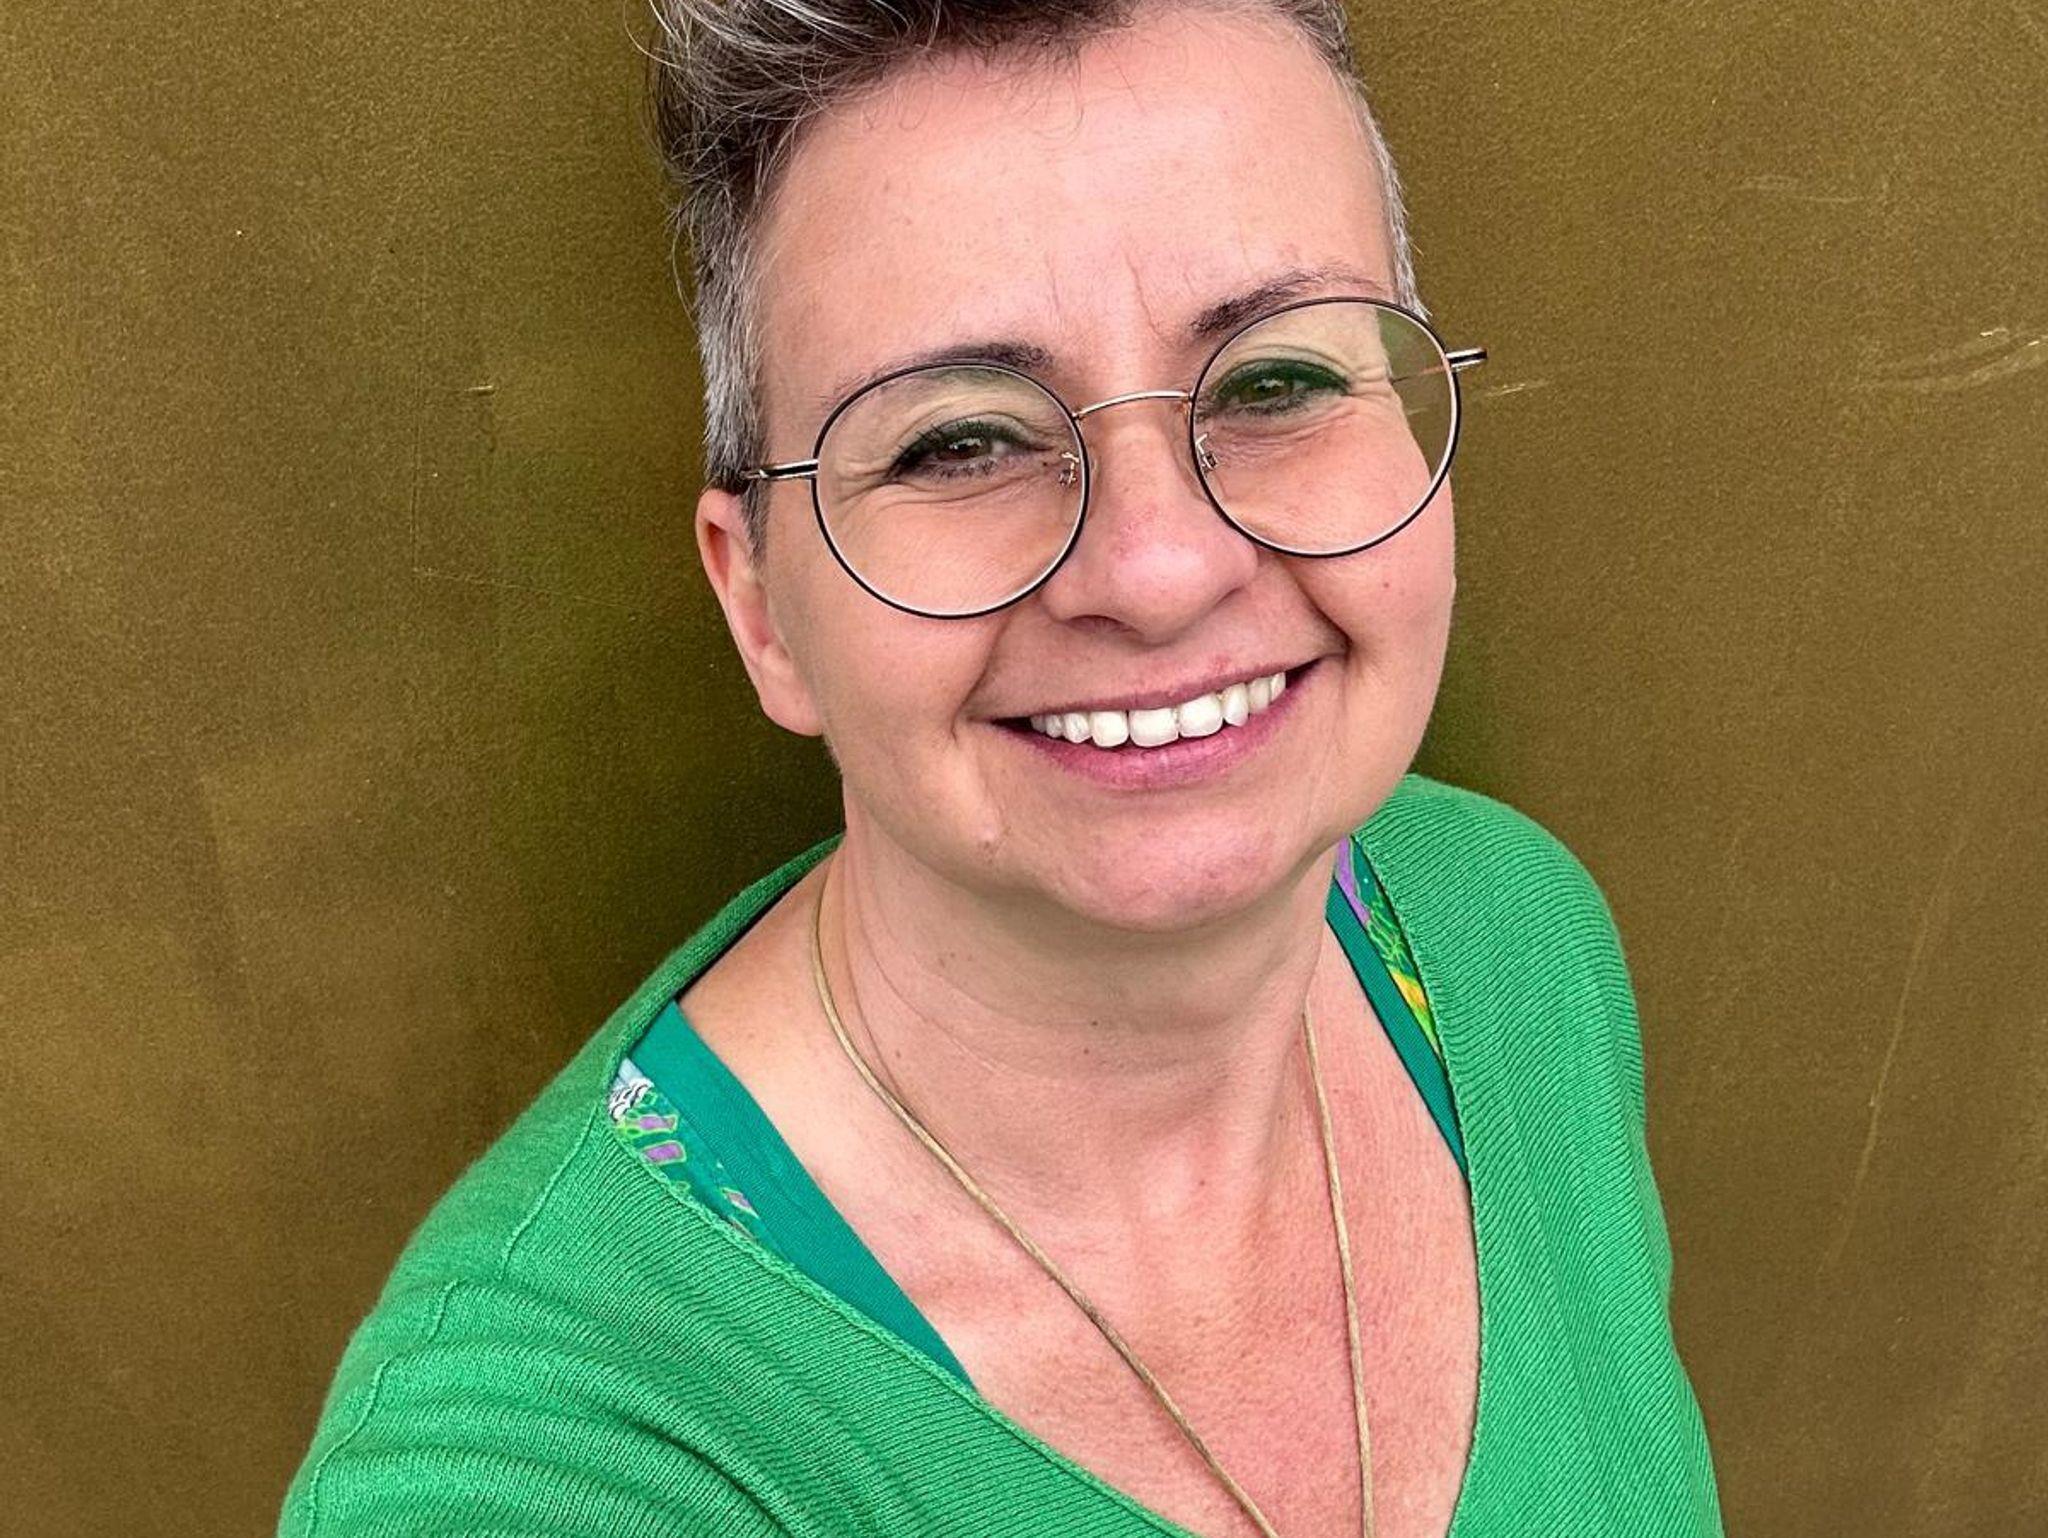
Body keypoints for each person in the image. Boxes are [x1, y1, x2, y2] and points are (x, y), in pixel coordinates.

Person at [279, 1, 1725, 1534]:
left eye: (1275, 382)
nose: (1160, 567)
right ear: (759, 604)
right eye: (960, 441)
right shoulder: (548, 1467)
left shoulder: (1515, 933)